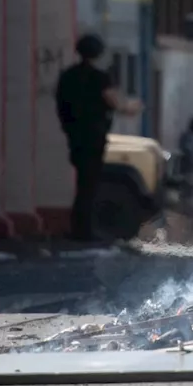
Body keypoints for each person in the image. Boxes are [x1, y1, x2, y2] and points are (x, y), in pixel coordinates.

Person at [54, 33, 143, 241]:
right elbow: (116, 104)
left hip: (75, 137)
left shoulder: (68, 76)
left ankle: (79, 228)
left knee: (83, 182)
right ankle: (83, 231)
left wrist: (69, 128)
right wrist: (134, 107)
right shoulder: (99, 78)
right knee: (89, 184)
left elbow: (61, 106)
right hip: (94, 138)